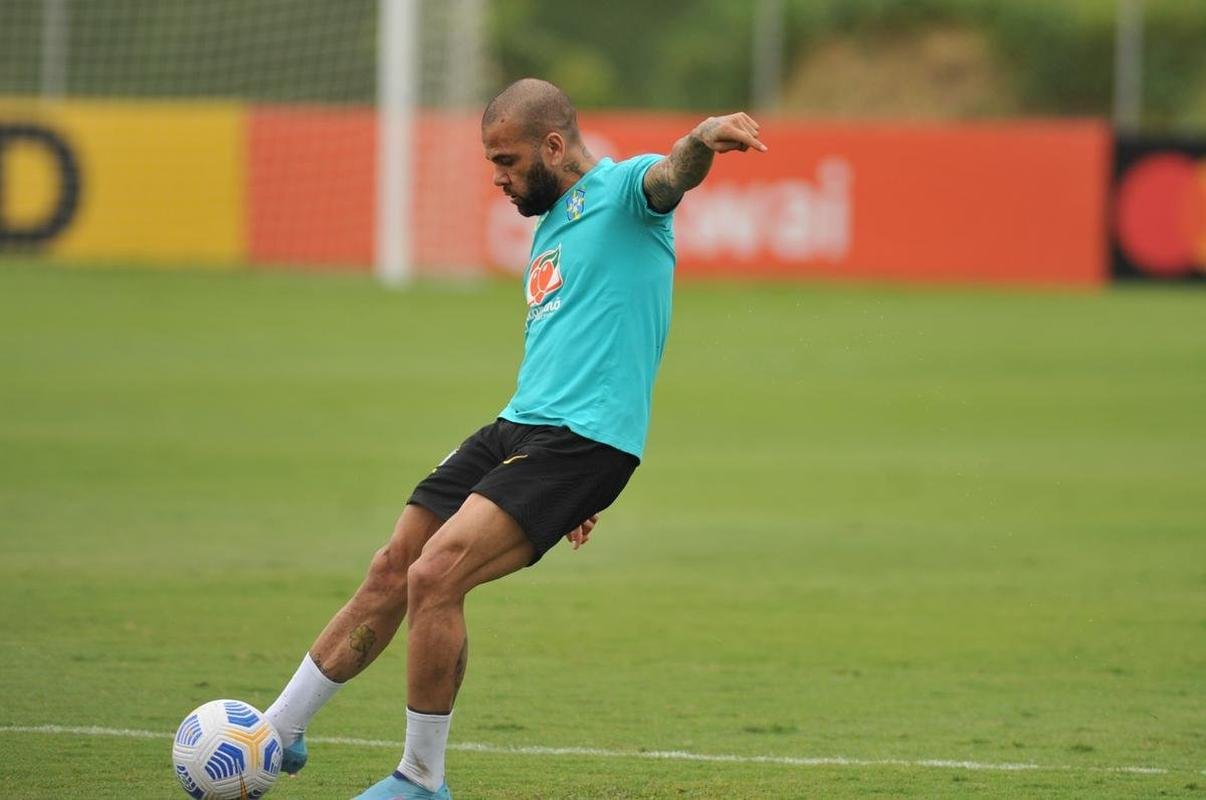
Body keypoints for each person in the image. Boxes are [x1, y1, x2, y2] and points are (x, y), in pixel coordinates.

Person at [262, 77, 766, 799]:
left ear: (553, 145)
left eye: (506, 161)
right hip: (520, 430)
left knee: (437, 577)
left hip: (580, 443)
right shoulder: (553, 221)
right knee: (394, 564)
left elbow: (670, 175)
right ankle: (277, 732)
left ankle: (421, 779)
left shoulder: (625, 192)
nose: (496, 178)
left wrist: (699, 138)